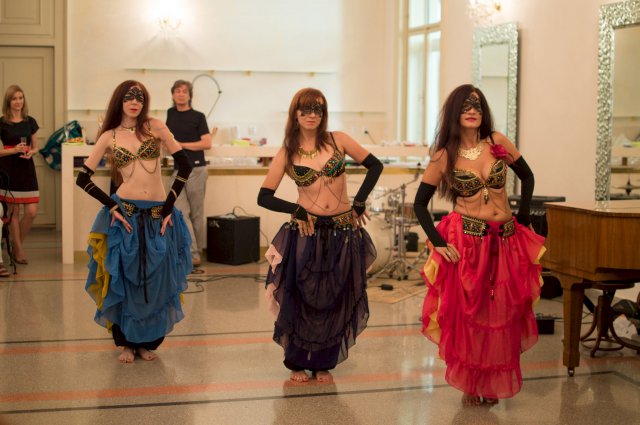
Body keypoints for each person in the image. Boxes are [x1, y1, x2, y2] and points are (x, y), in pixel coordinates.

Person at [413, 84, 544, 406]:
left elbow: (527, 177)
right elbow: (419, 204)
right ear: (454, 113)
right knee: (472, 313)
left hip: (506, 239)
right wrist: (438, 242)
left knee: (503, 312)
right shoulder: (445, 154)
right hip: (468, 242)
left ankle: (492, 379)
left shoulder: (497, 142)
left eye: (477, 106)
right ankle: (472, 382)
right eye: (465, 106)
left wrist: (523, 216)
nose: (472, 111)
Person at [258, 87, 383, 383]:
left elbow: (375, 165)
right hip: (307, 232)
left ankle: (324, 361)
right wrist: (296, 210)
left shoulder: (338, 140)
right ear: (295, 114)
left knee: (335, 296)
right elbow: (264, 196)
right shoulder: (287, 152)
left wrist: (360, 201)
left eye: (318, 109)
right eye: (305, 109)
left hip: (342, 230)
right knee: (303, 296)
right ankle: (296, 362)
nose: (311, 115)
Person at [76, 80, 193, 363]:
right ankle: (126, 343)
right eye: (129, 97)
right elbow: (83, 178)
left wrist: (169, 205)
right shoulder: (109, 135)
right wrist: (111, 205)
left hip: (157, 215)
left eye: (139, 98)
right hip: (126, 215)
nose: (134, 102)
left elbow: (185, 164)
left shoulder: (156, 127)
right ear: (120, 100)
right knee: (125, 278)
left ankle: (146, 342)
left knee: (156, 278)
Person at [166, 80, 213, 269]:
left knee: (196, 214)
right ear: (173, 94)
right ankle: (191, 253)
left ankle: (196, 253)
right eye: (177, 91)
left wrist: (181, 145)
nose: (181, 94)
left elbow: (206, 143)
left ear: (190, 95)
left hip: (196, 169)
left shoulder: (198, 116)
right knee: (179, 211)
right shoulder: (170, 114)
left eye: (184, 91)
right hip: (178, 169)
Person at [0, 85, 41, 264]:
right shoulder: (2, 123)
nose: (18, 101)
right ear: (8, 101)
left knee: (31, 212)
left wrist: (32, 152)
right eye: (14, 98)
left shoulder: (30, 121)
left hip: (26, 168)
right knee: (13, 212)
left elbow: (36, 147)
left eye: (21, 98)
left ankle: (15, 246)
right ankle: (19, 251)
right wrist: (13, 150)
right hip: (8, 169)